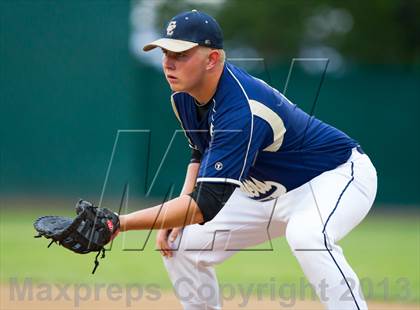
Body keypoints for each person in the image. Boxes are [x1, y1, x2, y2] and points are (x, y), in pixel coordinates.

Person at [117, 9, 377, 310]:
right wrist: (180, 206)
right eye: (165, 52)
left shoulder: (243, 109)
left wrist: (118, 223)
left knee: (307, 235)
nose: (168, 63)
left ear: (212, 59)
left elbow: (206, 205)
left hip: (333, 176)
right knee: (182, 243)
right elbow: (200, 150)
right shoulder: (183, 97)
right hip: (263, 192)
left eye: (181, 54)